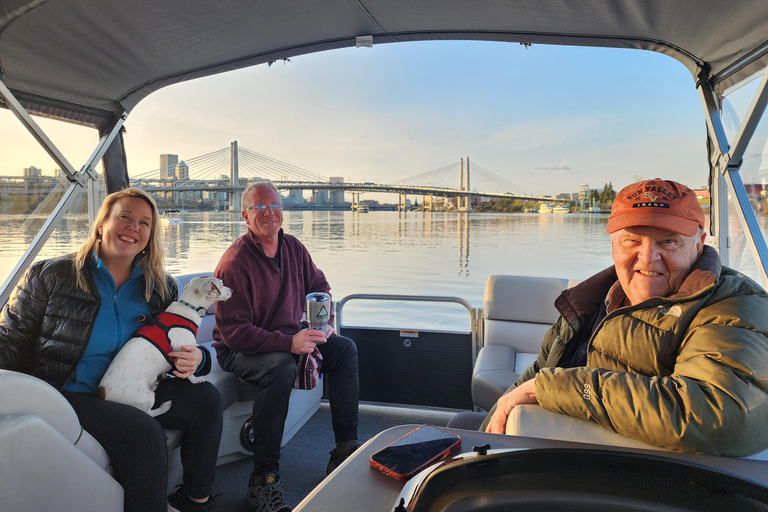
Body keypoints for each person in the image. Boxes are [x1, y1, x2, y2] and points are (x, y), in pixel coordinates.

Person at [451, 178, 768, 457]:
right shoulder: (587, 304)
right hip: (555, 451)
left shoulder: (734, 304)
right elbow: (536, 375)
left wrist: (555, 389)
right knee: (462, 428)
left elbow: (717, 416)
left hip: (622, 481)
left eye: (667, 241)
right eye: (632, 240)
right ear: (614, 245)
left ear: (699, 243)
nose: (647, 258)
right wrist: (490, 430)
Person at [0, 188, 223, 512]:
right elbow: (9, 342)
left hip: (135, 387)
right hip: (68, 393)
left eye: (144, 222)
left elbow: (174, 347)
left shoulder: (161, 287)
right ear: (102, 223)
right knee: (143, 434)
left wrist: (198, 360)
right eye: (124, 217)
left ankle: (194, 501)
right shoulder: (48, 276)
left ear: (151, 234)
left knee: (207, 400)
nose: (134, 227)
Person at [213, 181, 359, 512]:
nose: (269, 213)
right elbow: (234, 332)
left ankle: (344, 451)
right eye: (259, 207)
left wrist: (321, 323)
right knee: (280, 367)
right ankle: (263, 480)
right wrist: (289, 343)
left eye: (275, 205)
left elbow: (319, 286)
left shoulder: (293, 248)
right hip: (241, 348)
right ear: (245, 216)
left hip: (289, 336)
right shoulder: (234, 262)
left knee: (344, 349)